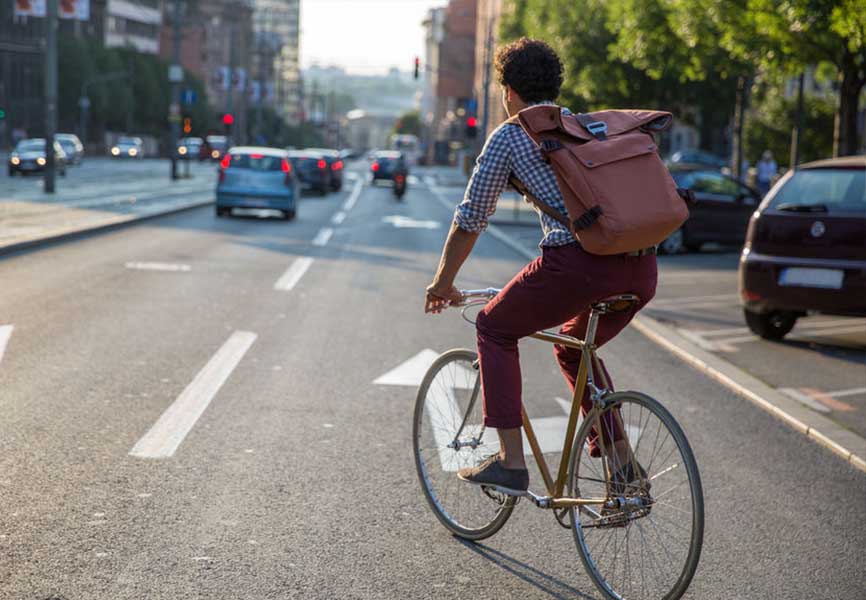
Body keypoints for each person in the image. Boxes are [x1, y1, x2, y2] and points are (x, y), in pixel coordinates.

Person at [424, 38, 658, 496]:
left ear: (508, 91)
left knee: (493, 327)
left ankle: (512, 463)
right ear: (556, 85)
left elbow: (471, 218)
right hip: (641, 268)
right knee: (575, 348)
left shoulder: (512, 135)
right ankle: (624, 469)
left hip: (578, 267)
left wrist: (443, 283)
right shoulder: (585, 126)